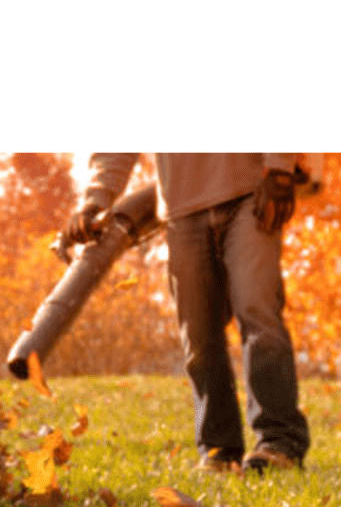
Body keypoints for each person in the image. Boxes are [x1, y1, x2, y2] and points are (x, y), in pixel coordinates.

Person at [66, 154, 310, 474]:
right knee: (198, 333)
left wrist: (280, 167)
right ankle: (218, 451)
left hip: (250, 190)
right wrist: (94, 200)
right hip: (181, 207)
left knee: (257, 309)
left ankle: (279, 442)